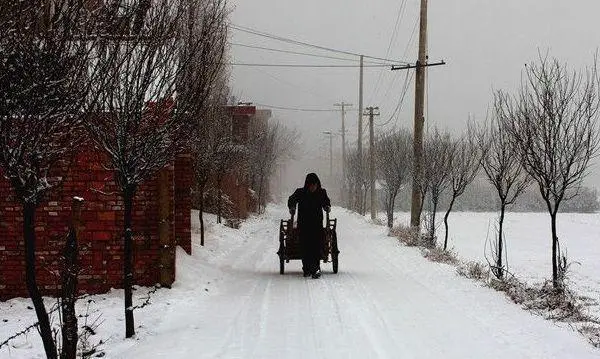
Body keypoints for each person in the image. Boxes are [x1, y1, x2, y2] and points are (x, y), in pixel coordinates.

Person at [287, 173, 331, 279]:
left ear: (317, 185)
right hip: (303, 225)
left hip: (317, 225)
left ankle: (316, 268)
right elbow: (291, 199)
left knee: (316, 247)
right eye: (310, 185)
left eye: (314, 185)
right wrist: (292, 207)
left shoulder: (321, 193)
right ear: (307, 185)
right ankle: (306, 269)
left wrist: (327, 206)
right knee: (305, 247)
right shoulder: (300, 192)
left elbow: (326, 201)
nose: (312, 187)